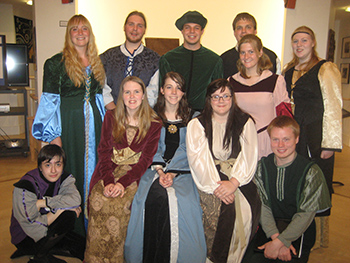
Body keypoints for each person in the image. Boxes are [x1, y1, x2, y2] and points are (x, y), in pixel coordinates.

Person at [32, 14, 106, 236]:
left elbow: (101, 99)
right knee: (70, 173)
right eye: (75, 29)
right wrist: (54, 136)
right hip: (70, 126)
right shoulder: (56, 63)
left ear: (90, 33)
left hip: (95, 127)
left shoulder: (97, 61)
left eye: (84, 29)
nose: (80, 33)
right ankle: (72, 232)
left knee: (95, 174)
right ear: (69, 34)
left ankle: (92, 227)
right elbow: (49, 102)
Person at [125, 72, 206, 263]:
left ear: (183, 92)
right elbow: (149, 147)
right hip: (154, 170)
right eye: (169, 87)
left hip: (184, 172)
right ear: (162, 90)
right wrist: (161, 171)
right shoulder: (151, 116)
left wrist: (172, 172)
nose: (173, 92)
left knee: (185, 204)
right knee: (150, 198)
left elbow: (191, 149)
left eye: (178, 87)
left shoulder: (194, 118)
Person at [84, 76, 162, 262]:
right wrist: (109, 181)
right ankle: (96, 257)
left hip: (135, 174)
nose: (132, 96)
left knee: (121, 205)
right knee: (97, 199)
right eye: (127, 92)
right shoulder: (111, 117)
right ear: (121, 96)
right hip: (108, 169)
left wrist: (123, 184)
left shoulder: (154, 123)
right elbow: (103, 151)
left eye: (136, 91)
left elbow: (145, 161)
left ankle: (117, 258)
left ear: (144, 95)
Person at [186, 79, 261, 262]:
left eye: (225, 96)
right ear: (209, 99)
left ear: (232, 98)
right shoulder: (197, 124)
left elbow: (249, 156)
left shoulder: (245, 121)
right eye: (216, 97)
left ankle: (236, 257)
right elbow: (199, 160)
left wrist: (234, 182)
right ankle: (216, 258)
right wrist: (216, 187)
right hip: (211, 175)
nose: (221, 100)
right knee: (227, 209)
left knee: (249, 206)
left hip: (239, 175)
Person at [283, 26, 342, 248]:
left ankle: (320, 237)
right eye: (295, 41)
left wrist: (330, 144)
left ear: (313, 42)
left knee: (319, 184)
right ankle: (298, 229)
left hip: (317, 135)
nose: (299, 45)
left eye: (304, 40)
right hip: (294, 135)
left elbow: (334, 106)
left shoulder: (325, 68)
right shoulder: (288, 70)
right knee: (297, 181)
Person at [248, 116, 331, 263]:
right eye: (275, 139)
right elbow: (263, 206)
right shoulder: (262, 167)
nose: (280, 145)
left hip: (299, 232)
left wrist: (282, 241)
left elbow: (306, 214)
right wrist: (275, 239)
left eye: (286, 139)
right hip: (269, 229)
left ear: (297, 139)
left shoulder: (311, 172)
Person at [10, 144, 84, 263]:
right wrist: (61, 209)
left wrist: (44, 203)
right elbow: (33, 227)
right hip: (26, 236)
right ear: (40, 167)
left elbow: (75, 199)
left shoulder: (64, 178)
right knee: (68, 216)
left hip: (49, 227)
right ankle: (39, 256)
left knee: (82, 246)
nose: (53, 170)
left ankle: (50, 247)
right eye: (48, 165)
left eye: (58, 164)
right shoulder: (25, 186)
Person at [228, 34, 290, 160]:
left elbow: (284, 116)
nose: (246, 57)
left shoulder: (275, 81)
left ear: (260, 52)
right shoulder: (231, 82)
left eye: (251, 52)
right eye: (243, 53)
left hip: (267, 141)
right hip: (240, 141)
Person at [159, 10, 223, 111]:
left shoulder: (214, 61)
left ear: (202, 31)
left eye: (196, 28)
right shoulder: (169, 59)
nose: (192, 31)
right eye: (187, 27)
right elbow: (162, 92)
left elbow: (218, 93)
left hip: (203, 115)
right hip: (174, 114)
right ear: (182, 31)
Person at [101, 10, 160, 109]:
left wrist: (137, 115)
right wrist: (114, 112)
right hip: (112, 114)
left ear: (145, 30)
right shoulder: (107, 57)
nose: (135, 29)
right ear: (124, 27)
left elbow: (153, 92)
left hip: (142, 116)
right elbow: (103, 88)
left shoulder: (154, 60)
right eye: (131, 24)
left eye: (140, 26)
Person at [221, 12, 281, 79]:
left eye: (248, 27)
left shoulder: (272, 57)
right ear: (234, 33)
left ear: (255, 31)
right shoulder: (223, 60)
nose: (243, 31)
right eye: (239, 28)